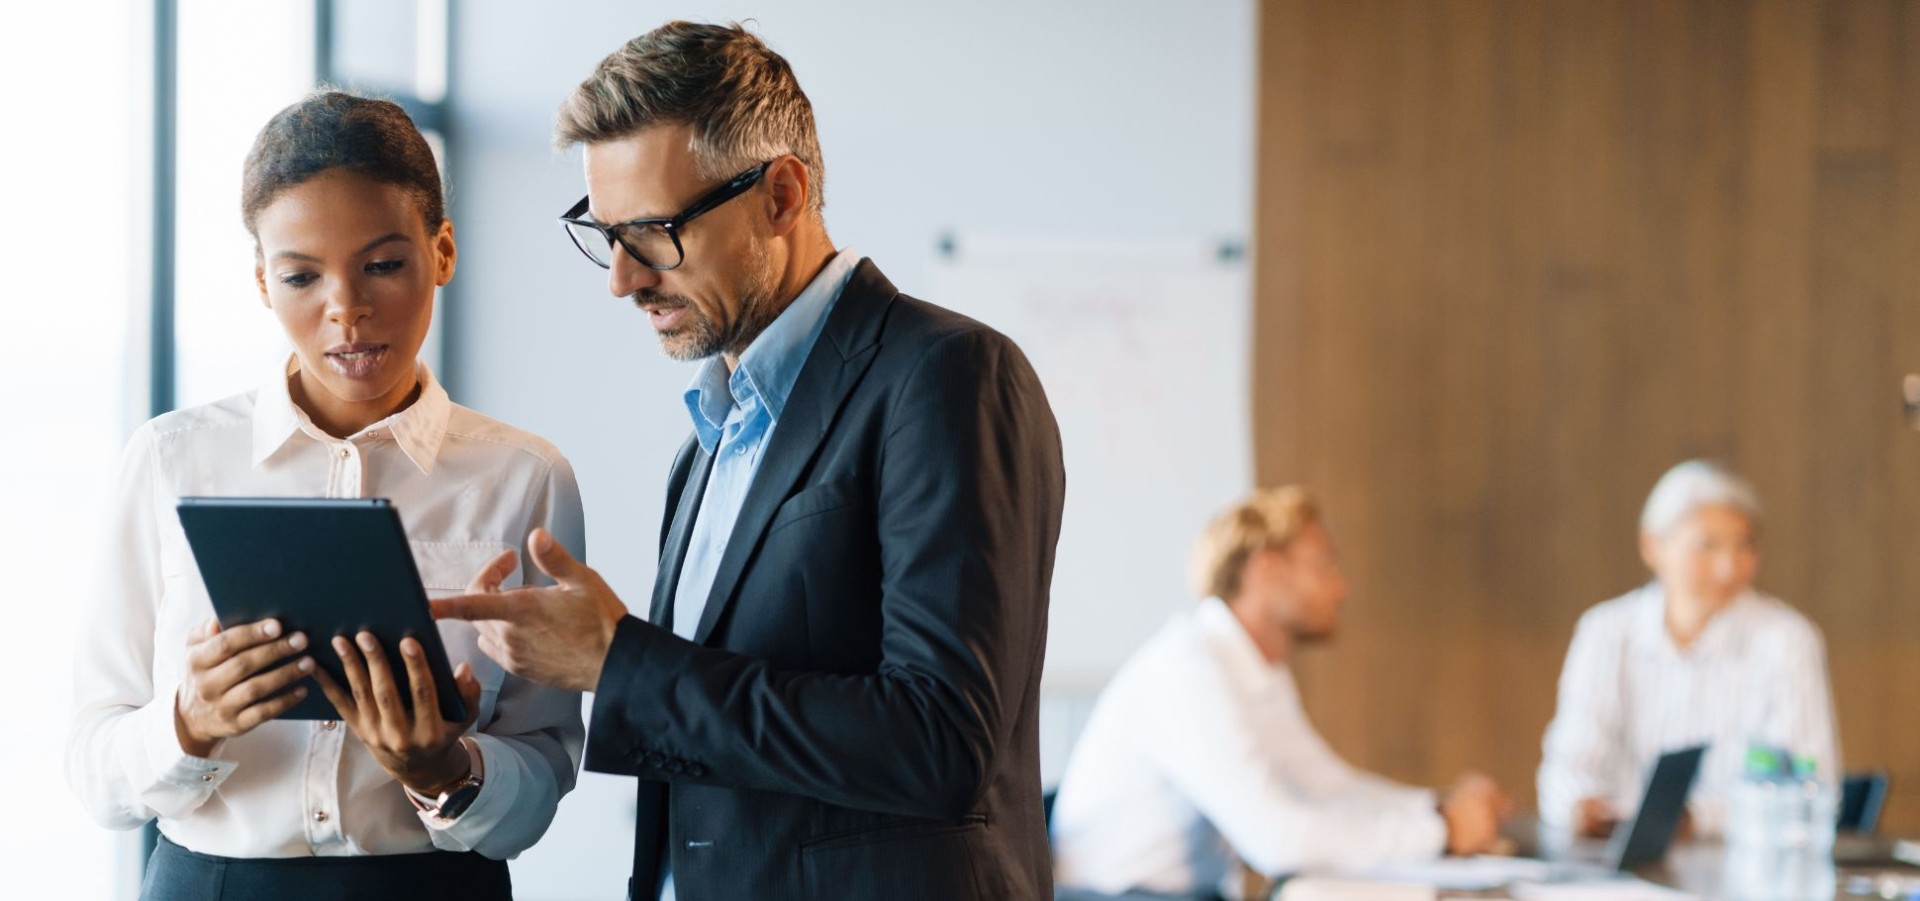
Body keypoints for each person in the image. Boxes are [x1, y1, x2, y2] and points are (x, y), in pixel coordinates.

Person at [430, 21, 1065, 901]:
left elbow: (940, 741)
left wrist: (620, 662)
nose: (623, 278)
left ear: (781, 196)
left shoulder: (947, 374)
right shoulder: (707, 439)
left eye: (654, 232)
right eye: (606, 233)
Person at [66, 91, 585, 901]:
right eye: (301, 275)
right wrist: (189, 720)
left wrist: (445, 771)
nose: (346, 308)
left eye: (382, 265)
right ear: (262, 282)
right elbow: (94, 769)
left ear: (442, 252)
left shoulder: (524, 477)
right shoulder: (171, 460)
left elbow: (547, 764)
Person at [1051, 487, 1512, 899]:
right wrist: (1441, 830)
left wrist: (1439, 808)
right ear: (1267, 569)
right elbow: (1278, 839)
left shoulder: (1255, 668)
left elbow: (1327, 787)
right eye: (1325, 563)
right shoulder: (1188, 669)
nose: (1342, 587)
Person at [1538, 460, 1840, 839]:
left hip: (1737, 860)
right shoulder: (1606, 632)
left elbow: (1810, 787)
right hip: (1615, 859)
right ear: (1653, 546)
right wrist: (1580, 807)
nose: (1728, 567)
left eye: (1744, 546)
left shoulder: (1786, 640)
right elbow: (1567, 766)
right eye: (1707, 546)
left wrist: (1689, 818)